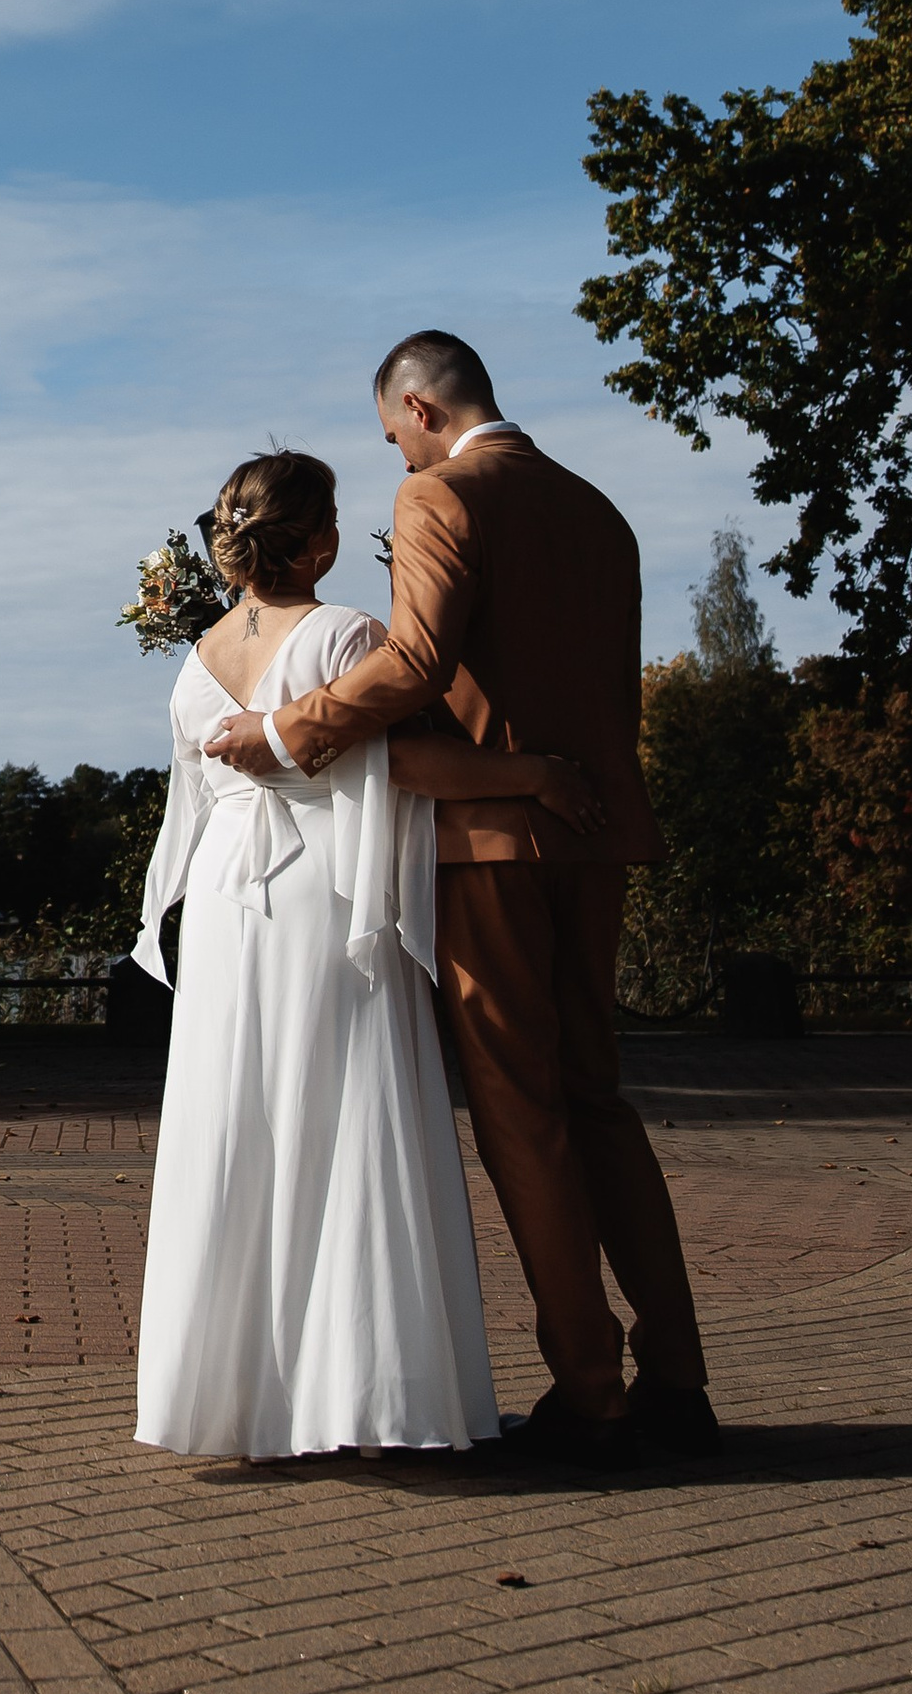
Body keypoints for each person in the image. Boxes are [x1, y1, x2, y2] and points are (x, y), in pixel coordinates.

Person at [204, 335, 714, 1469]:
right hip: (592, 838)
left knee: (522, 1119)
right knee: (599, 1102)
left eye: (394, 433)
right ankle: (676, 1376)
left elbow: (420, 663)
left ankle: (592, 1395)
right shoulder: (597, 510)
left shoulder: (440, 496)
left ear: (421, 410)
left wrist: (285, 731)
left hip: (490, 848)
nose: (394, 452)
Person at [132, 447, 604, 1463]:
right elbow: (409, 761)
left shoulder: (196, 657)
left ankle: (232, 1403)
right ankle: (366, 1400)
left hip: (222, 902)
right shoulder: (345, 634)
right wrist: (529, 776)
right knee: (341, 1120)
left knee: (239, 1124)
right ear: (321, 541)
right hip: (318, 891)